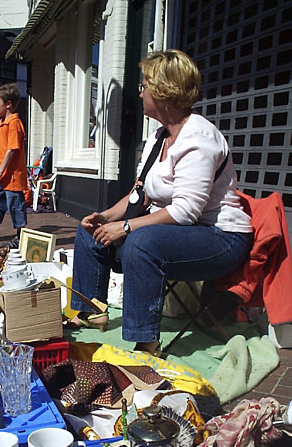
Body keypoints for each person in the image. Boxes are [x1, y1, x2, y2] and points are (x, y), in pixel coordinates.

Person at [68, 50, 253, 355]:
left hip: (221, 238)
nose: (140, 94)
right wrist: (105, 217)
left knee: (142, 242)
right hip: (182, 232)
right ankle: (92, 309)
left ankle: (146, 342)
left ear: (164, 92)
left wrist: (125, 227)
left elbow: (186, 211)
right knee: (89, 229)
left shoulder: (198, 139)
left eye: (144, 87)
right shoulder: (160, 137)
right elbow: (139, 194)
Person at [0, 84, 28, 244]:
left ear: (8, 104)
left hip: (11, 175)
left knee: (16, 206)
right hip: (1, 175)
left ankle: (20, 237)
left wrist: (1, 171)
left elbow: (12, 149)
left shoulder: (14, 123)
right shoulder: (4, 122)